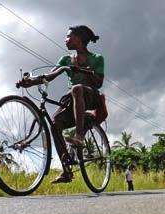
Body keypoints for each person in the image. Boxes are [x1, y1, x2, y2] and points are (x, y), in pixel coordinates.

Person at [17, 25, 104, 183]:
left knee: (77, 88)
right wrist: (29, 82)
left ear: (79, 39)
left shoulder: (97, 58)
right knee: (55, 124)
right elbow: (49, 76)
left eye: (69, 36)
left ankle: (79, 136)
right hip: (73, 100)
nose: (66, 40)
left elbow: (99, 83)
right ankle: (66, 170)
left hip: (91, 96)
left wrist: (85, 71)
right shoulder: (66, 60)